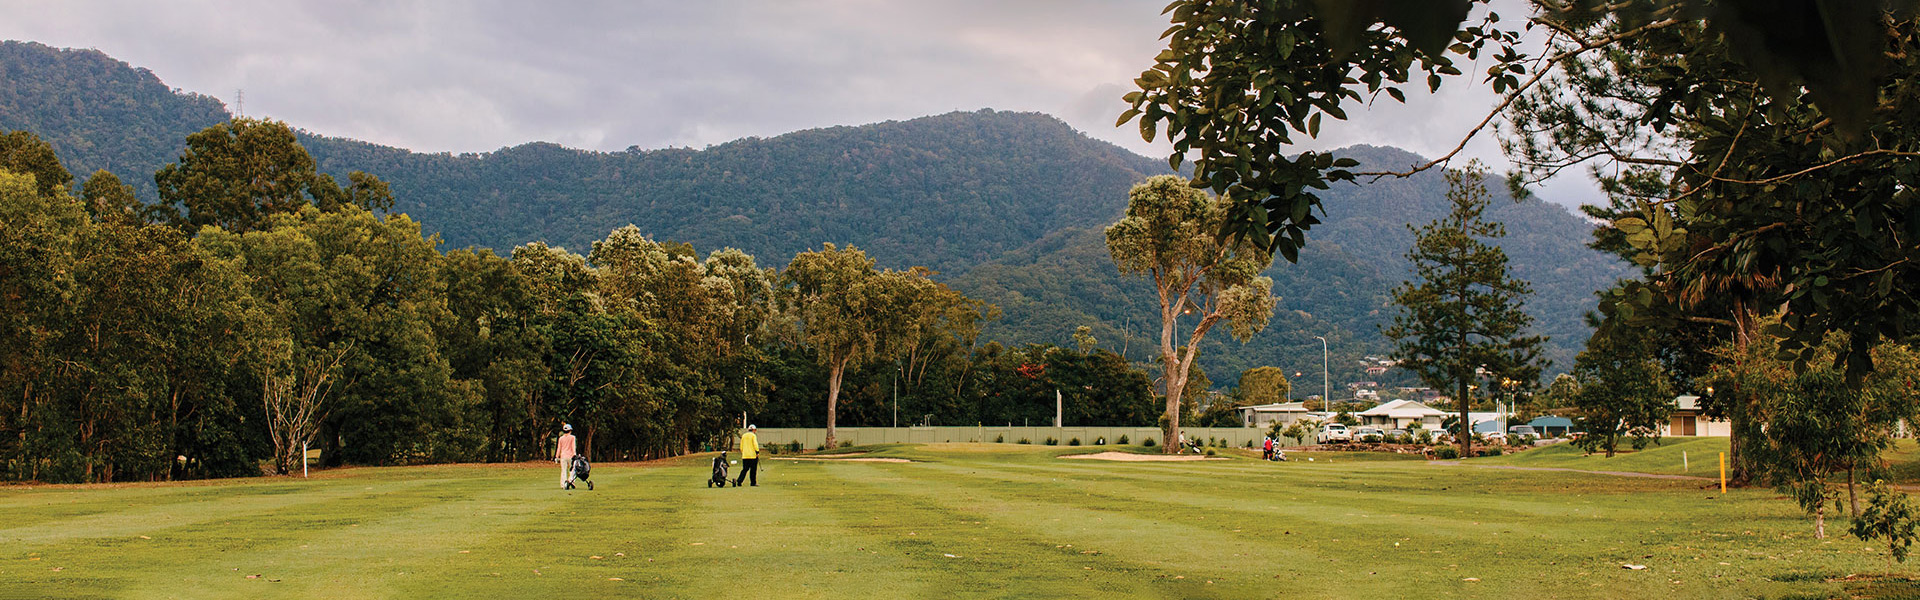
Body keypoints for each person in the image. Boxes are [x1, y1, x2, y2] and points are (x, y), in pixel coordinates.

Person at [557, 423, 578, 490]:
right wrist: (575, 454)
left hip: (563, 456)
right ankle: (571, 481)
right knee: (573, 469)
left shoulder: (561, 438)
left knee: (563, 470)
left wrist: (557, 456)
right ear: (570, 430)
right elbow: (573, 447)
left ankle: (563, 484)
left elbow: (559, 448)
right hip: (571, 456)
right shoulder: (572, 437)